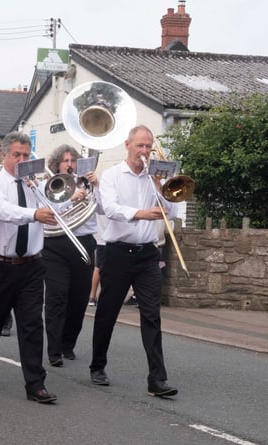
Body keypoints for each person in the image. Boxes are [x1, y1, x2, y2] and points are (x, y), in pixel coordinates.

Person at [89, 125, 179, 398]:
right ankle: (97, 365)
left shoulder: (156, 178)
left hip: (148, 254)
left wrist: (159, 186)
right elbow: (112, 209)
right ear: (127, 145)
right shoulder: (112, 175)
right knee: (107, 311)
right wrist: (141, 213)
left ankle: (157, 379)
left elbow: (172, 212)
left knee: (152, 315)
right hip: (117, 253)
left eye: (148, 147)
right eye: (140, 146)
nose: (145, 152)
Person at [0, 131, 58, 404]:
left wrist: (76, 194)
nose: (21, 160)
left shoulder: (35, 183)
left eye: (26, 155)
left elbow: (57, 204)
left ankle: (35, 384)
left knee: (32, 324)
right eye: (16, 155)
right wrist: (34, 214)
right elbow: (1, 210)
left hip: (32, 264)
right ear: (5, 155)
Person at [42, 145, 103, 367]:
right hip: (56, 244)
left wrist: (97, 185)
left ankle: (68, 344)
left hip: (84, 243)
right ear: (57, 164)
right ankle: (54, 349)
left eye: (72, 160)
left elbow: (104, 209)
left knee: (78, 299)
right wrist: (70, 199)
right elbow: (46, 209)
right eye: (65, 160)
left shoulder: (86, 183)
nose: (69, 164)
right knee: (57, 297)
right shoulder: (49, 184)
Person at [89, 214, 108, 306]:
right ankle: (92, 296)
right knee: (98, 268)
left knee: (99, 267)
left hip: (101, 237)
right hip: (104, 238)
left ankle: (92, 296)